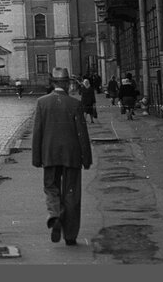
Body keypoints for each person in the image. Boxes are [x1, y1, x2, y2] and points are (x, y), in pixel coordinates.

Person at [31, 66, 93, 247]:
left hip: (49, 154)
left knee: (51, 187)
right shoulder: (74, 103)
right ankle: (71, 235)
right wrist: (86, 158)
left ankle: (55, 215)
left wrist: (36, 157)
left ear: (53, 83)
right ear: (66, 84)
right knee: (72, 193)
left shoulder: (42, 102)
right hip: (72, 154)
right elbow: (82, 133)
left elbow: (38, 132)